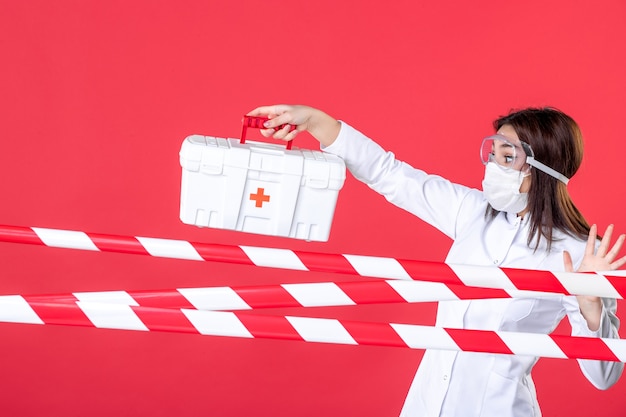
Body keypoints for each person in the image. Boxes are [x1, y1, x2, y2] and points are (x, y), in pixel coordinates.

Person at [246, 104, 626, 417]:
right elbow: (389, 174)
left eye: (507, 157)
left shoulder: (577, 254)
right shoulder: (472, 212)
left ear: (543, 169)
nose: (492, 167)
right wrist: (318, 123)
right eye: (492, 154)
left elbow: (604, 376)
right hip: (426, 406)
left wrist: (592, 307)